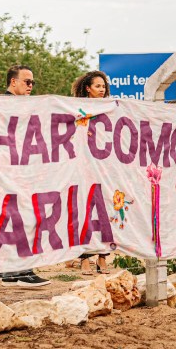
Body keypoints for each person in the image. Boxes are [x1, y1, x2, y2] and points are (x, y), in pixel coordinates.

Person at [0, 65, 51, 288]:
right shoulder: (3, 105)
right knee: (23, 217)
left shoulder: (20, 106)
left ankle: (9, 272)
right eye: (27, 82)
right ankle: (22, 270)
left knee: (14, 218)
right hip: (11, 171)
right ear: (13, 82)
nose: (31, 86)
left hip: (15, 170)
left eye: (32, 83)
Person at [71, 71, 111, 275]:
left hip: (104, 167)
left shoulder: (110, 109)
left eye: (103, 86)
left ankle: (103, 257)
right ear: (88, 88)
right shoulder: (77, 109)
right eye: (97, 86)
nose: (101, 89)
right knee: (83, 211)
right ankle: (84, 258)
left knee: (105, 211)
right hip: (83, 167)